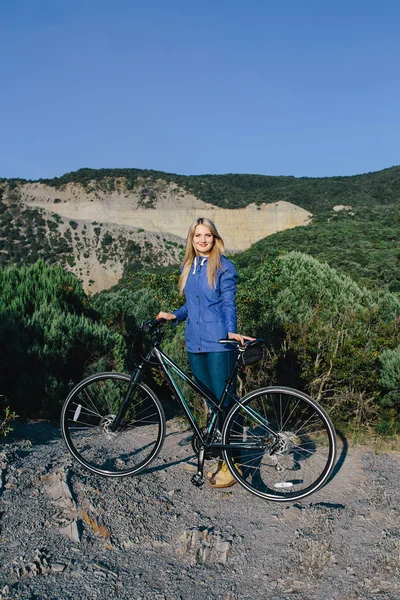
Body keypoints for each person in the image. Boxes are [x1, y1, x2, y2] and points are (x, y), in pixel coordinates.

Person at [156, 217, 254, 488]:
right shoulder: (188, 266)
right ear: (191, 239)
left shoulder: (223, 266)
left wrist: (231, 331)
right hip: (194, 344)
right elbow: (192, 306)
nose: (202, 240)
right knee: (212, 404)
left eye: (207, 235)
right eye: (198, 235)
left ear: (214, 238)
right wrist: (173, 316)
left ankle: (232, 464)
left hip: (218, 343)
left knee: (226, 404)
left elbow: (227, 303)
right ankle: (222, 453)